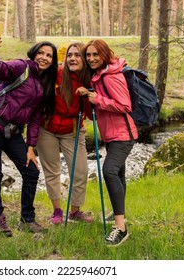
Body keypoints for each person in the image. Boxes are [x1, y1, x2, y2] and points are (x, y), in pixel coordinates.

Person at [0, 31, 58, 237]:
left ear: (52, 61)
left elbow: (36, 119)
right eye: (41, 53)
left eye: (49, 55)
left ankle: (27, 219)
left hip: (12, 132)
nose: (44, 57)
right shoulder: (22, 67)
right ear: (34, 53)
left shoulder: (43, 84)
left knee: (31, 172)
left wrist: (31, 147)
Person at [77, 39, 138, 246]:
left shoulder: (112, 76)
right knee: (118, 173)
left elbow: (125, 105)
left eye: (96, 54)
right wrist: (89, 94)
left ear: (104, 55)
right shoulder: (99, 76)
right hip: (112, 134)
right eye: (89, 55)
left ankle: (121, 228)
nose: (91, 58)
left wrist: (98, 100)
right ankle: (118, 211)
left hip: (123, 134)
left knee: (110, 171)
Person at [36, 42, 94, 225]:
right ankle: (57, 211)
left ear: (84, 59)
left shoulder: (90, 79)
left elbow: (92, 113)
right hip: (47, 128)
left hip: (73, 129)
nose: (73, 59)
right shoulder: (57, 73)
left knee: (80, 171)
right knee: (52, 171)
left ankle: (75, 211)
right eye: (70, 55)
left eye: (77, 55)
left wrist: (88, 96)